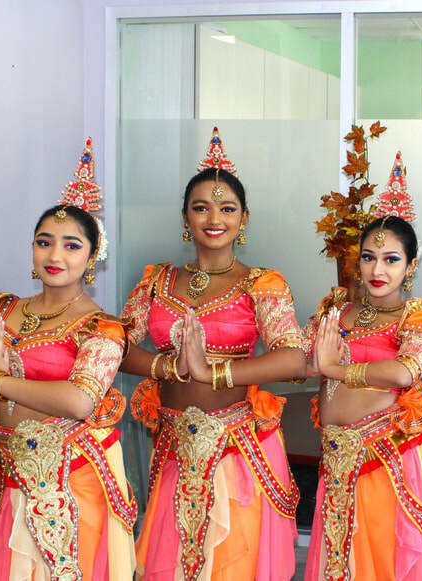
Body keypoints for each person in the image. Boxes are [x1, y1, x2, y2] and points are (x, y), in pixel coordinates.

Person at [0, 138, 137, 580]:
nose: (55, 256)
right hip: (11, 476)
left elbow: (80, 401)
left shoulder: (102, 327)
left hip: (74, 481)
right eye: (44, 242)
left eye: (72, 245)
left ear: (92, 257)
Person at [121, 127, 306, 581]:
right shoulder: (157, 280)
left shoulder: (261, 283)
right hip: (173, 447)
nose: (214, 218)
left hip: (238, 448)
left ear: (245, 218)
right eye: (201, 207)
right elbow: (116, 345)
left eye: (227, 208)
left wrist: (211, 373)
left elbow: (292, 358)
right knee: (171, 561)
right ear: (185, 217)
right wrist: (168, 366)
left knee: (231, 563)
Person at [303, 153, 422, 581]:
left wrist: (335, 369)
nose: (377, 269)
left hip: (390, 461)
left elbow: (404, 372)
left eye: (391, 259)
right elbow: (299, 361)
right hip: (336, 460)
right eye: (368, 257)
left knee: (384, 565)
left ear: (411, 265)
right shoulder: (335, 310)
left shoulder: (418, 320)